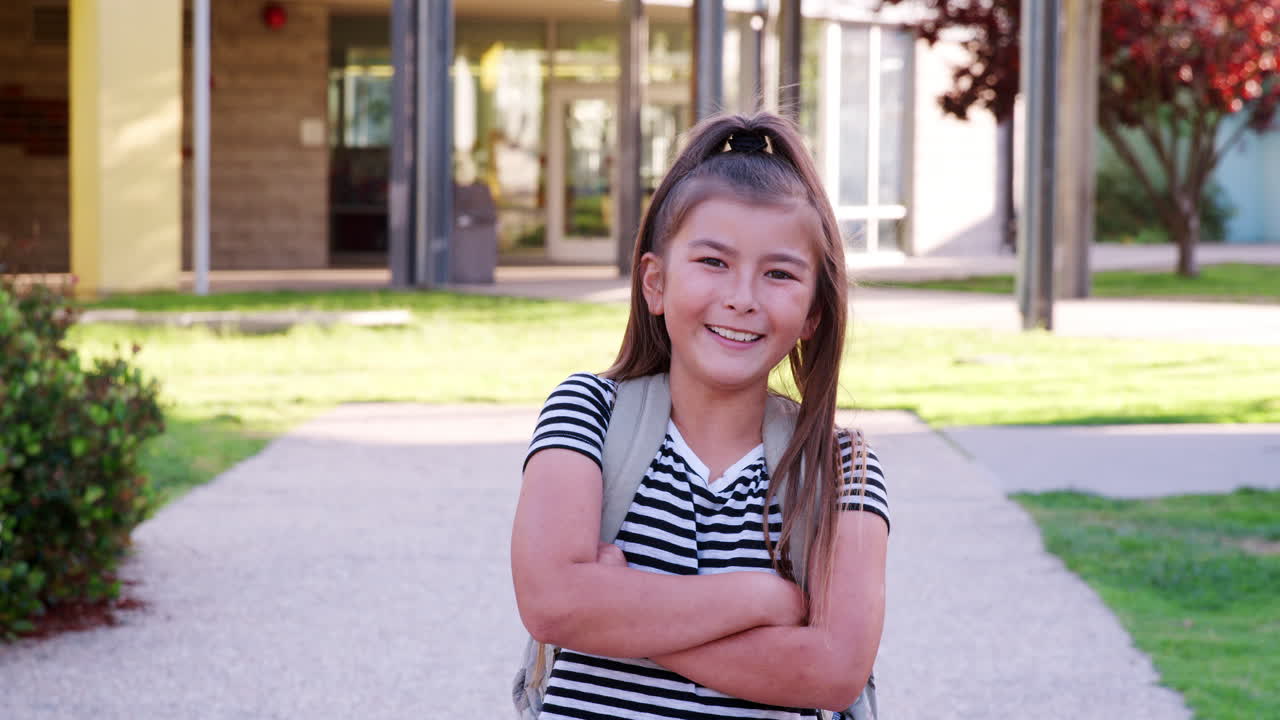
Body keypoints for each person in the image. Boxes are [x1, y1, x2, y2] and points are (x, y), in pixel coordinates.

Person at [510, 111, 890, 719]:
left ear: (814, 313)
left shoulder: (842, 467)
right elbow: (553, 603)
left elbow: (835, 670)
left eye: (779, 273)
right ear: (654, 284)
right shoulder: (589, 413)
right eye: (713, 262)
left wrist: (619, 617)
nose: (742, 296)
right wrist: (761, 596)